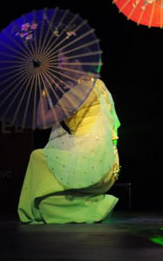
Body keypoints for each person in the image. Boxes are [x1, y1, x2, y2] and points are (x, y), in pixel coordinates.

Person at [17, 78, 121, 224]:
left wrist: (46, 89)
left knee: (38, 157)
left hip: (95, 166)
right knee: (48, 201)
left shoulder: (78, 93)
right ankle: (95, 205)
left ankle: (97, 208)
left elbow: (41, 121)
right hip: (109, 163)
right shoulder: (97, 83)